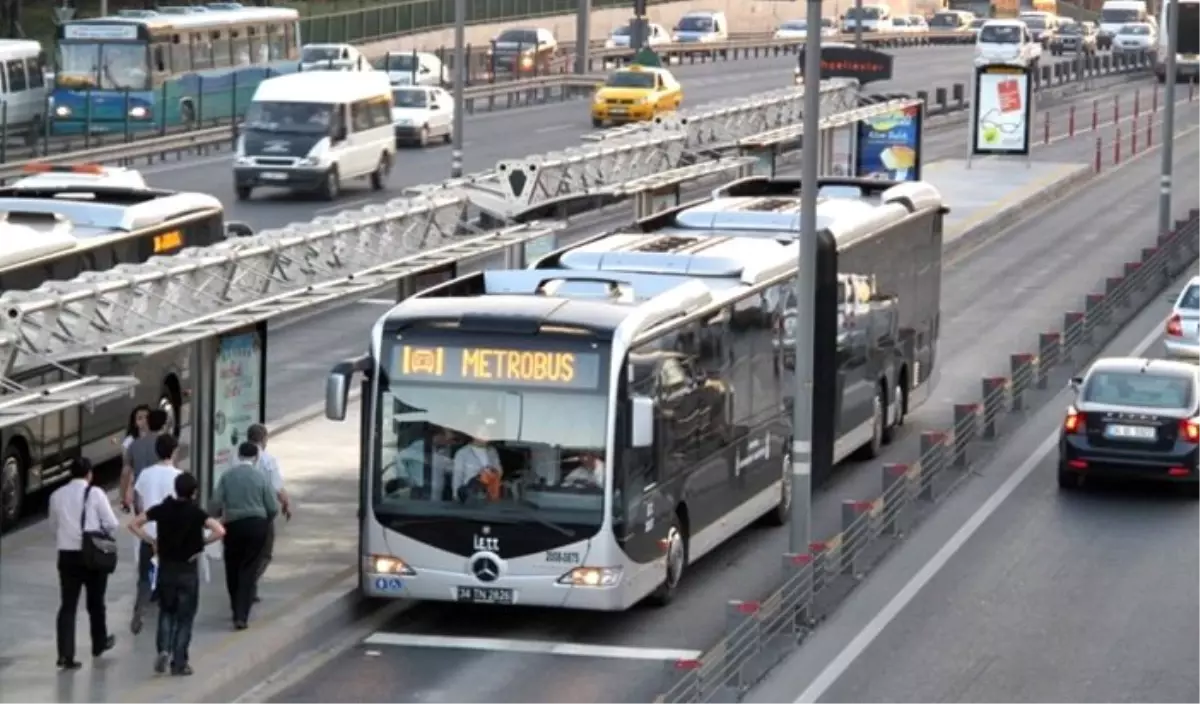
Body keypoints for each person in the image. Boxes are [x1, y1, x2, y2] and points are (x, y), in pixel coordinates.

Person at [128, 472, 224, 676]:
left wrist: (151, 541)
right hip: (188, 571)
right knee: (185, 617)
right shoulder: (196, 513)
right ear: (194, 492)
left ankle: (163, 649)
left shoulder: (162, 509)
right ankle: (179, 662)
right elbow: (220, 530)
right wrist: (202, 544)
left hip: (166, 569)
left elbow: (133, 524)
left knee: (166, 612)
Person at [48, 458, 118, 670]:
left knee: (68, 605)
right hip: (92, 555)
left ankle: (65, 655)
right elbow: (112, 523)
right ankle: (99, 642)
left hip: (67, 555)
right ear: (89, 474)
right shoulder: (96, 494)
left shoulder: (56, 495)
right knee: (96, 602)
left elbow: (54, 526)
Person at [209, 442, 278, 629]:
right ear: (256, 457)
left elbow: (215, 503)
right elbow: (272, 506)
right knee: (249, 568)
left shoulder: (227, 476)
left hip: (233, 525)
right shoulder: (261, 477)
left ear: (238, 456)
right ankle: (242, 615)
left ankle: (235, 608)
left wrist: (217, 516)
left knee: (232, 566)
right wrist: (265, 521)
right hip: (257, 525)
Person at [129, 434, 183, 635]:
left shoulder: (145, 474)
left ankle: (139, 608)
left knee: (144, 577)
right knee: (169, 579)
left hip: (149, 535)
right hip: (170, 538)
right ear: (174, 451)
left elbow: (138, 502)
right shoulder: (178, 476)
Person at [246, 424, 291, 597]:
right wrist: (286, 505)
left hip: (239, 514)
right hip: (262, 515)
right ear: (264, 439)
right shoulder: (268, 460)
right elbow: (278, 488)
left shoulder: (236, 458)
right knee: (264, 553)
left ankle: (249, 585)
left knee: (245, 553)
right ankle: (250, 582)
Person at [121, 408, 170, 513]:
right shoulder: (166, 444)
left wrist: (124, 496)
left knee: (141, 523)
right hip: (161, 492)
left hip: (141, 493)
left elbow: (125, 472)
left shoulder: (134, 445)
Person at [453, 422, 503, 501]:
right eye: (483, 433)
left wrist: (491, 471)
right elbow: (457, 478)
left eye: (488, 433)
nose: (486, 436)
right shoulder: (463, 453)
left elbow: (499, 471)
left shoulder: (492, 451)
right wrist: (456, 497)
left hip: (490, 497)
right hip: (470, 499)